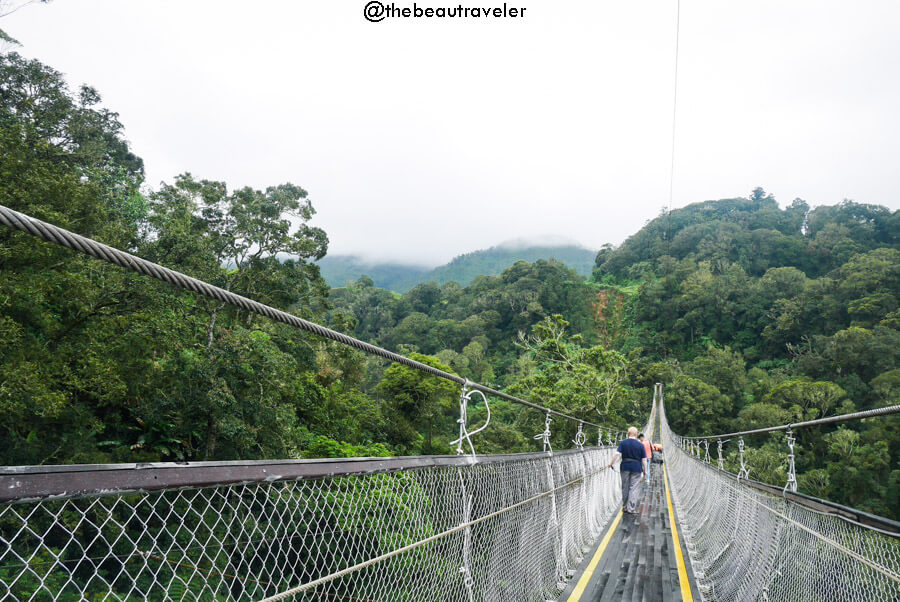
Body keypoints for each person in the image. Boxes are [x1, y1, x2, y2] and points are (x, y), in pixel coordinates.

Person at [607, 427, 648, 514]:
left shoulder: (623, 443)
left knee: (625, 487)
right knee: (633, 488)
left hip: (625, 466)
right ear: (636, 435)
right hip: (637, 468)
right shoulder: (640, 445)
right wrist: (645, 470)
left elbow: (617, 454)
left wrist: (611, 463)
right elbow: (644, 459)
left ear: (628, 433)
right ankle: (631, 508)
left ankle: (625, 507)